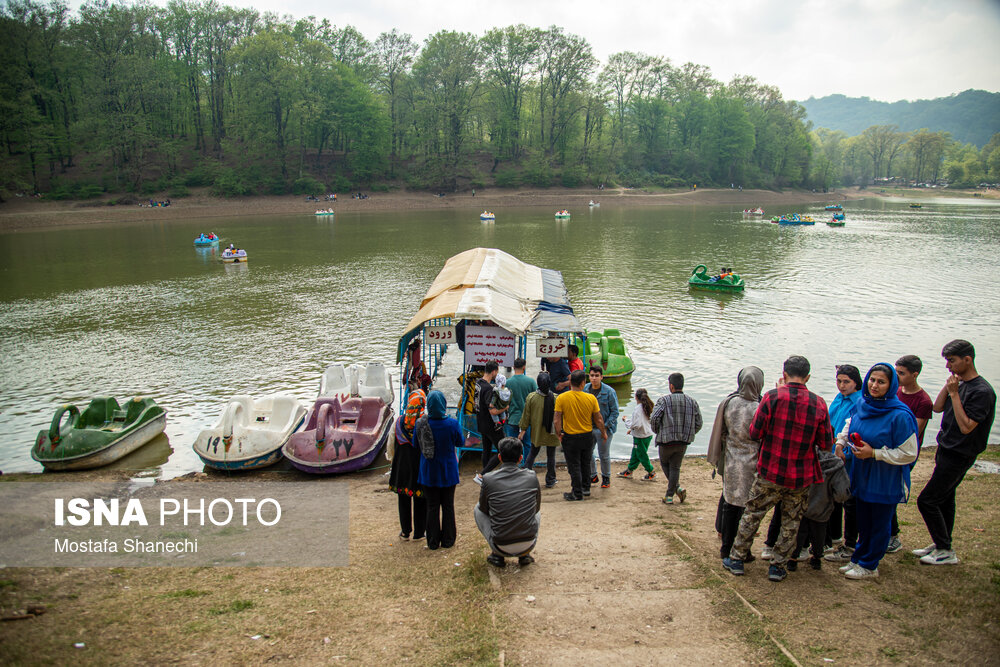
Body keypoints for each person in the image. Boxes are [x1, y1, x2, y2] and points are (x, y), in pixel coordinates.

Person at [725, 355, 833, 583]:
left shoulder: (772, 398)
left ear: (784, 374)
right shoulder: (819, 403)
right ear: (808, 377)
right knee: (791, 521)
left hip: (770, 470)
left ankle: (736, 558)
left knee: (753, 514)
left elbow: (755, 433)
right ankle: (778, 565)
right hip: (800, 476)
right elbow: (825, 443)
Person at [914, 340, 996, 566]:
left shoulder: (982, 391)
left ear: (967, 359)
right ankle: (942, 543)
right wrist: (950, 387)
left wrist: (956, 395)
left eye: (952, 361)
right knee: (945, 499)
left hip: (960, 453)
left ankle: (945, 550)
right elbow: (937, 408)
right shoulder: (958, 384)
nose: (948, 366)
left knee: (927, 501)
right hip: (945, 447)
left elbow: (967, 426)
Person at [835, 363, 918, 579]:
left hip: (884, 476)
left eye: (881, 382)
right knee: (864, 519)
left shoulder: (900, 415)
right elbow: (850, 423)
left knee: (879, 522)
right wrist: (841, 442)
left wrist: (875, 454)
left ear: (891, 386)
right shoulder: (864, 404)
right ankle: (858, 558)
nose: (874, 385)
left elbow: (909, 453)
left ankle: (870, 565)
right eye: (872, 380)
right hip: (862, 472)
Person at [706, 367, 764, 565]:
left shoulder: (729, 403)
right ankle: (742, 550)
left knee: (730, 504)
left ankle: (726, 549)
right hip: (753, 462)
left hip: (731, 460)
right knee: (749, 508)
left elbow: (721, 431)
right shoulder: (760, 407)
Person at [887, 354, 934, 553]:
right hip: (887, 449)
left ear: (914, 374)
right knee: (884, 492)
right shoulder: (896, 391)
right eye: (896, 372)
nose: (897, 377)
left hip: (903, 453)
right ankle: (887, 532)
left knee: (892, 492)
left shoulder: (923, 401)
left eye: (901, 373)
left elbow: (914, 432)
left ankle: (893, 535)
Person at [474, 437, 542, 568]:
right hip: (529, 543)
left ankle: (497, 555)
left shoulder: (488, 479)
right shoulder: (532, 476)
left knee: (477, 509)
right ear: (521, 458)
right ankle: (524, 555)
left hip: (500, 545)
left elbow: (484, 509)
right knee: (536, 512)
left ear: (499, 457)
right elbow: (536, 508)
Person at [822, 364, 864, 563]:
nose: (841, 385)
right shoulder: (839, 398)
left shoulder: (860, 402)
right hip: (831, 452)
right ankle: (833, 535)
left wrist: (845, 450)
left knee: (847, 498)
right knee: (831, 497)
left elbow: (855, 428)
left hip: (847, 456)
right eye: (839, 381)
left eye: (846, 382)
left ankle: (849, 541)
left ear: (856, 382)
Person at [415, 391, 462, 550]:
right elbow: (460, 441)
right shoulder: (452, 424)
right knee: (448, 505)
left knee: (432, 506)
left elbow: (416, 445)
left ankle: (433, 541)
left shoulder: (420, 424)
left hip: (428, 471)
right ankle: (448, 540)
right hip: (448, 470)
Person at [554, 370, 607, 501]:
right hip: (587, 436)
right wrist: (604, 433)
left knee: (574, 465)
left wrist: (559, 433)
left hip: (570, 437)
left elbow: (557, 419)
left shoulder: (562, 398)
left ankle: (577, 492)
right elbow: (598, 419)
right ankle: (586, 488)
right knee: (585, 463)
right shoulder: (591, 398)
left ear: (570, 382)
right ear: (583, 383)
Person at [651, 372, 702, 504]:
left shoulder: (664, 400)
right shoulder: (692, 401)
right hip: (683, 441)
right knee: (675, 467)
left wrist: (658, 431)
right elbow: (699, 423)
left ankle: (672, 493)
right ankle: (674, 491)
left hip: (666, 441)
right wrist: (689, 432)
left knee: (665, 464)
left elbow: (654, 418)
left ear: (671, 386)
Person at [388, 393, 426, 542]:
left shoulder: (397, 422)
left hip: (401, 467)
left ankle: (405, 532)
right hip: (419, 467)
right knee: (420, 499)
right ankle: (419, 533)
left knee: (403, 500)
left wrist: (392, 460)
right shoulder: (424, 423)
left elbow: (390, 445)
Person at [520, 372, 560, 487]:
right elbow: (559, 418)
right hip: (551, 432)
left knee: (532, 454)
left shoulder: (531, 397)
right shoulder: (556, 398)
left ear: (538, 383)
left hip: (537, 433)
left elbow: (526, 417)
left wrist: (522, 430)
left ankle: (526, 476)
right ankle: (550, 480)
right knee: (551, 456)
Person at [586, 365, 619, 489]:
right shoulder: (585, 390)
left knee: (604, 455)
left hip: (604, 429)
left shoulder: (609, 391)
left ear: (601, 377)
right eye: (592, 376)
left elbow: (615, 412)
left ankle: (606, 478)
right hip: (589, 428)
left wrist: (604, 427)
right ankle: (593, 475)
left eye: (596, 376)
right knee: (588, 453)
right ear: (589, 377)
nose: (594, 378)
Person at [473, 361, 505, 485]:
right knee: (503, 450)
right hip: (491, 425)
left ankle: (485, 477)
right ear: (493, 372)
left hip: (480, 422)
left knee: (486, 449)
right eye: (496, 372)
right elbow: (493, 411)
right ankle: (482, 475)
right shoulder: (488, 389)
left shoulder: (478, 383)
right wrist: (504, 409)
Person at [618, 388, 657, 480]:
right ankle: (629, 471)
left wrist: (626, 421)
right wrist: (631, 430)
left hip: (640, 437)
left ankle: (651, 472)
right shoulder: (649, 406)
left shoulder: (638, 409)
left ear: (636, 397)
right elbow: (644, 422)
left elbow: (637, 424)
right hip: (647, 434)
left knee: (641, 455)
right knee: (636, 453)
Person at [504, 359, 537, 463]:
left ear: (513, 367)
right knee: (527, 444)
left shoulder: (508, 383)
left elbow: (505, 402)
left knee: (511, 445)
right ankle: (527, 465)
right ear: (524, 367)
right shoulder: (531, 382)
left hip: (513, 418)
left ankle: (513, 465)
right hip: (527, 420)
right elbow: (536, 400)